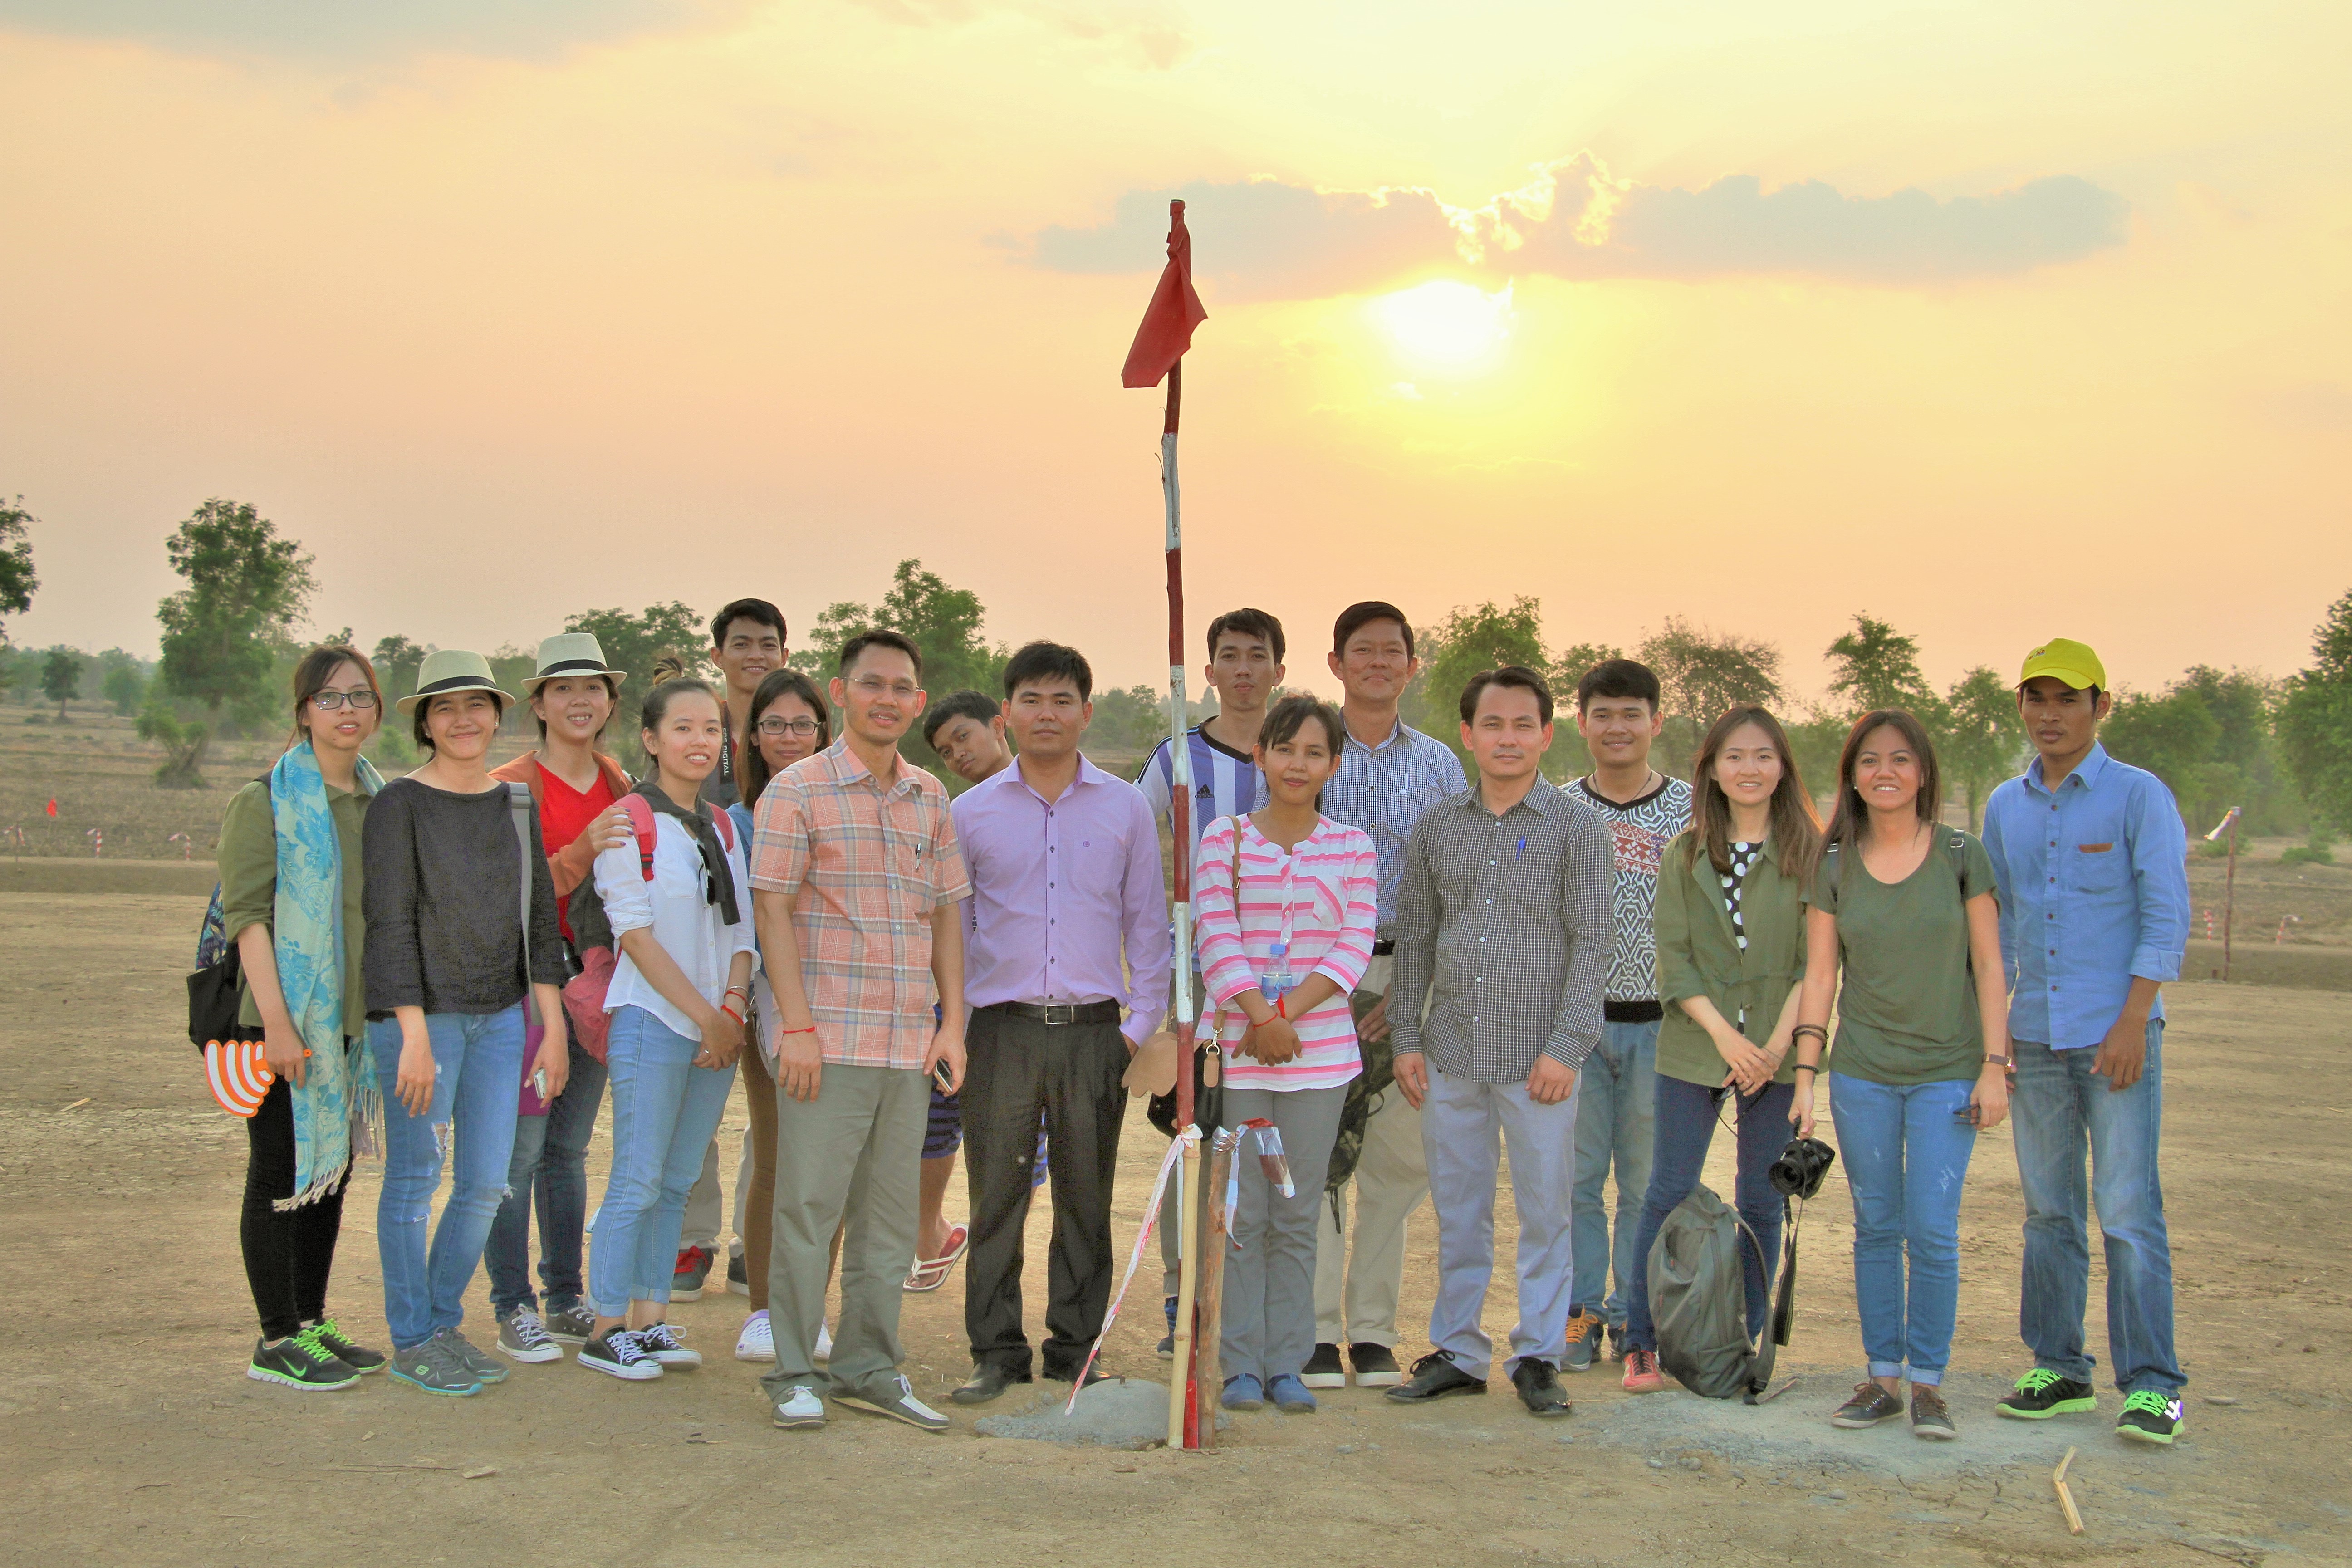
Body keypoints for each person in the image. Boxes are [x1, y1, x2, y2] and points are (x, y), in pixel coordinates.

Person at [751, 630, 970, 1433]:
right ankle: (794, 1371)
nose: (888, 698)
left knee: (887, 1220)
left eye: (902, 687)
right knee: (809, 1210)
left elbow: (945, 913)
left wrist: (953, 1025)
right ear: (840, 695)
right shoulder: (798, 791)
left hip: (909, 1046)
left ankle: (869, 1366)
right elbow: (772, 909)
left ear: (917, 701)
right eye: (871, 683)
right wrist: (796, 1027)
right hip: (827, 1043)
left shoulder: (929, 798)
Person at [948, 643, 1171, 1405]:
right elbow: (959, 926)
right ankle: (996, 1349)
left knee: (1086, 1193)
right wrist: (958, 1020)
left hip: (1093, 1033)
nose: (1048, 713)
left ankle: (1076, 1348)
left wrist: (1136, 1030)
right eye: (1032, 700)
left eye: (1062, 700)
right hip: (1000, 1028)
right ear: (1006, 713)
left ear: (1086, 710)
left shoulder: (1125, 808)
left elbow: (1147, 927)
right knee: (995, 1194)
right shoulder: (969, 813)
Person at [1385, 666, 1610, 1419]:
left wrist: (1568, 1045)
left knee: (1546, 1210)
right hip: (1450, 1050)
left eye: (1523, 726)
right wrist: (1407, 1038)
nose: (1507, 739)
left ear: (1548, 734)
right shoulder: (1439, 826)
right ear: (1468, 735)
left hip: (1540, 1059)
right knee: (1459, 1207)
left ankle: (1539, 1353)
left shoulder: (1578, 827)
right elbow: (1416, 938)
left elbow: (1592, 941)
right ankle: (1457, 1348)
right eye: (1493, 725)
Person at [1981, 639, 2190, 1445]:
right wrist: (1995, 1038)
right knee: (2048, 1213)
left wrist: (2134, 1020)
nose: (2050, 715)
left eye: (2068, 699)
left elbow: (2165, 914)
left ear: (2102, 706)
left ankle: (2153, 1385)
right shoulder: (2007, 804)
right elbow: (1995, 926)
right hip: (2033, 1037)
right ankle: (2060, 1368)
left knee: (2129, 1211)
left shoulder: (2139, 798)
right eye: (2037, 699)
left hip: (2117, 1038)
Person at [1790, 709, 2009, 1441]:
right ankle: (1883, 1376)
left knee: (1934, 1229)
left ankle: (1930, 1387)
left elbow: (1989, 965)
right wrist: (1806, 1078)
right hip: (1863, 1076)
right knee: (1877, 1227)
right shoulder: (1835, 863)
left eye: (1901, 760)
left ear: (1923, 772)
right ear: (1851, 776)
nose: (1885, 772)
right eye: (1869, 761)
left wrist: (1995, 1067)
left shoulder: (1959, 854)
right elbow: (1821, 976)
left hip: (1949, 1072)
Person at [363, 650, 570, 1398]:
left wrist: (549, 1026)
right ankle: (413, 1337)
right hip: (424, 1024)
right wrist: (412, 1032)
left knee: (485, 1185)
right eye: (444, 708)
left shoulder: (514, 802)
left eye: (475, 705)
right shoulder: (398, 805)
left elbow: (540, 922)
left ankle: (444, 1325)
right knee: (415, 1182)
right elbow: (388, 924)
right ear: (424, 721)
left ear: (496, 714)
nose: (462, 720)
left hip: (501, 1021)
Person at [1618, 707, 1819, 1398]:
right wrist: (1728, 1039)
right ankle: (1641, 1342)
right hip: (1697, 1043)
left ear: (1783, 766)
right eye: (1735, 757)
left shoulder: (1810, 854)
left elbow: (1815, 964)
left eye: (1764, 756)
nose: (1750, 769)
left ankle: (1742, 1342)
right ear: (1712, 769)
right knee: (1666, 1193)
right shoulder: (1686, 852)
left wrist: (1770, 1047)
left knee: (1761, 1202)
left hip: (1777, 1049)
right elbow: (1674, 963)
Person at [1193, 694, 1377, 1415]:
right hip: (1239, 1054)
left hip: (1321, 1058)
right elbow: (1216, 937)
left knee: (1298, 1212)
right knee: (1242, 1210)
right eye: (1284, 749)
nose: (1297, 764)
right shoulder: (1224, 841)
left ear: (1333, 764)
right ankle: (1238, 1362)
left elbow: (1353, 944)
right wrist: (1259, 1019)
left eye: (1313, 752)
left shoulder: (1353, 847)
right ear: (1261, 757)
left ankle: (1287, 1363)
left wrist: (1287, 1019)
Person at [574, 676, 759, 1381]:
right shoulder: (630, 822)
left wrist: (733, 1009)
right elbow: (637, 937)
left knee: (678, 1181)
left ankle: (649, 1319)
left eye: (711, 729)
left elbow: (741, 929)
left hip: (716, 1028)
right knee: (638, 1178)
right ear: (650, 740)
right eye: (682, 728)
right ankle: (606, 1324)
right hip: (654, 1024)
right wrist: (709, 1017)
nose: (699, 741)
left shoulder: (718, 827)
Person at [218, 645, 391, 1390]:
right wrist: (281, 1024)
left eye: (359, 696)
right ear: (303, 713)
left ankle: (312, 1322)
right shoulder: (266, 802)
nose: (346, 710)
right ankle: (275, 1337)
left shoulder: (382, 802)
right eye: (330, 698)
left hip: (351, 1020)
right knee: (281, 1168)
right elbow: (248, 918)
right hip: (283, 1019)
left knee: (332, 1170)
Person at [1305, 601, 1466, 1391]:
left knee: (1398, 1164)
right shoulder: (1306, 750)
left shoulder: (1438, 765)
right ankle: (1313, 1331)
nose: (1377, 663)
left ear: (1412, 665)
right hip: (1312, 985)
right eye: (1361, 651)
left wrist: (1413, 985)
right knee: (1314, 1156)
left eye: (1391, 652)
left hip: (1412, 976)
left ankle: (1371, 1331)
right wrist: (1316, 986)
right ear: (1335, 663)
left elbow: (1459, 880)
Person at [484, 634, 634, 1364]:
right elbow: (499, 899)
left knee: (569, 1150)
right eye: (564, 689)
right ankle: (512, 1304)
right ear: (538, 703)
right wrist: (583, 851)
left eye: (594, 688)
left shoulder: (620, 780)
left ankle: (565, 1295)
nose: (581, 701)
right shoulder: (510, 786)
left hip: (598, 990)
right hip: (528, 992)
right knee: (519, 1151)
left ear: (610, 701)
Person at [1134, 609, 1280, 1354]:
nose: (1245, 670)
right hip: (1195, 983)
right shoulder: (1177, 760)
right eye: (1231, 657)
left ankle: (1260, 1311)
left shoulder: (1303, 754)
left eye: (1259, 657)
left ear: (1281, 672)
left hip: (1284, 988)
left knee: (1273, 1140)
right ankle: (1178, 1297)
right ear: (1210, 673)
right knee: (1191, 1133)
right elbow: (1130, 844)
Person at [1564, 658, 1691, 1371]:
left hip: (1663, 1025)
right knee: (1577, 1181)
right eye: (1603, 714)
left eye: (1631, 714)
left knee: (1646, 1182)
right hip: (1577, 1026)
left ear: (1656, 722)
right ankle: (1581, 1313)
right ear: (1580, 722)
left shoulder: (1692, 808)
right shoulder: (1555, 807)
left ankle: (1634, 1319)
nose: (1617, 727)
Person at [679, 597, 791, 1300]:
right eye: (741, 643)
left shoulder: (795, 730)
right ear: (716, 654)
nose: (756, 654)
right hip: (701, 948)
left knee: (772, 1110)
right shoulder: (697, 729)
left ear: (784, 652)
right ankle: (693, 1239)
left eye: (768, 643)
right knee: (698, 1097)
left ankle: (761, 1240)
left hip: (782, 959)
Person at [725, 666, 832, 1363]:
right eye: (775, 725)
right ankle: (765, 1310)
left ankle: (811, 1308)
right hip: (769, 1000)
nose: (789, 737)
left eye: (802, 724)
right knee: (775, 1151)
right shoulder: (738, 821)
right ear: (754, 737)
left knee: (831, 1164)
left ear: (823, 731)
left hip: (842, 998)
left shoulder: (846, 804)